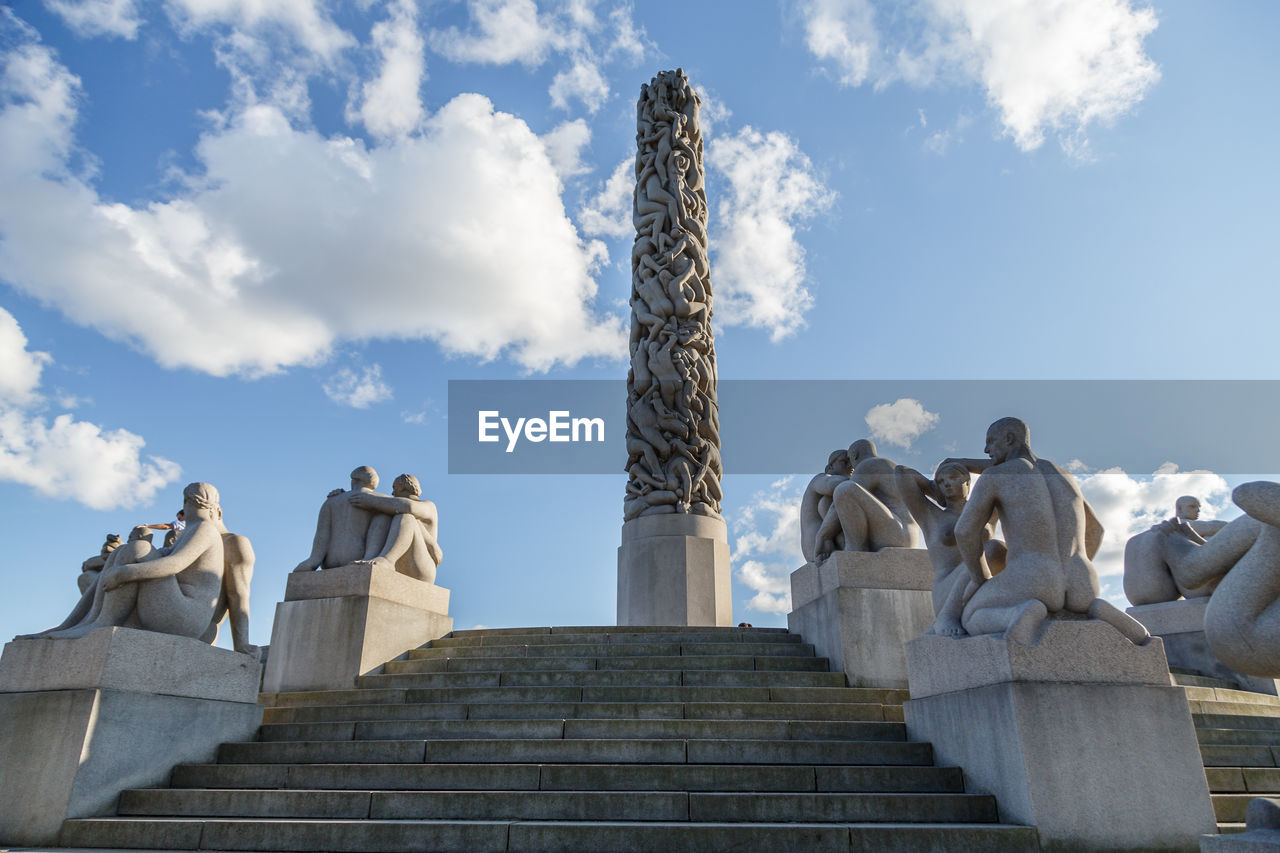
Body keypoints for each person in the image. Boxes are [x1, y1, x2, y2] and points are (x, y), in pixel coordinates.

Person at [944, 417, 1148, 645]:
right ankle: (1096, 609)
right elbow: (1097, 530)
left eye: (990, 442)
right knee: (1081, 599)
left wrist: (980, 578)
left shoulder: (996, 475)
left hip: (1032, 575)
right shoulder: (1063, 475)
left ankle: (1018, 613)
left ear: (1009, 439)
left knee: (971, 616)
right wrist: (1065, 571)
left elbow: (964, 531)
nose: (986, 450)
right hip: (1083, 578)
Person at [20, 484, 225, 641]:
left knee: (139, 549)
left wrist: (123, 573)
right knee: (130, 549)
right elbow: (162, 556)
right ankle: (74, 624)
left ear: (186, 503)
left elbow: (174, 564)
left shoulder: (204, 529)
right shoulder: (188, 532)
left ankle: (103, 622)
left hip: (185, 617)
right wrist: (128, 550)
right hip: (173, 605)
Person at [894, 462, 1006, 633]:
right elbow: (902, 473)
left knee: (1001, 550)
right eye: (941, 481)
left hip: (982, 583)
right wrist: (936, 492)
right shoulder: (931, 516)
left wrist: (965, 462)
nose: (946, 483)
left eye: (953, 478)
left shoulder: (986, 512)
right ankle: (947, 616)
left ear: (968, 482)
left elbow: (1005, 471)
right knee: (990, 548)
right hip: (947, 590)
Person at [814, 439, 920, 559]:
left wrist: (822, 536)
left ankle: (855, 549)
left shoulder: (868, 465)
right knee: (827, 502)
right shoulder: (891, 466)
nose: (850, 466)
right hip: (908, 535)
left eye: (849, 460)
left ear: (854, 455)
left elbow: (841, 501)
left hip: (897, 534)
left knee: (844, 489)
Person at [350, 473, 443, 584]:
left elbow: (409, 507)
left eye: (394, 488)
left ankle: (388, 560)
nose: (393, 493)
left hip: (421, 568)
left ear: (402, 486)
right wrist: (342, 495)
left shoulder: (428, 506)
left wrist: (371, 501)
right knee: (382, 516)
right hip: (400, 565)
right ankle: (370, 557)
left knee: (406, 517)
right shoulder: (395, 505)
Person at [293, 466, 382, 572]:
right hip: (358, 556)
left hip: (329, 561)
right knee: (384, 516)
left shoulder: (331, 502)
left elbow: (322, 534)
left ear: (354, 480)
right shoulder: (380, 499)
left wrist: (314, 559)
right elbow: (405, 506)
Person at [800, 450, 852, 563]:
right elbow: (830, 485)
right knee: (831, 499)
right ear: (830, 467)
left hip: (822, 543)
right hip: (818, 546)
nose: (850, 465)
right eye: (844, 461)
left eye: (852, 461)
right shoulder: (821, 478)